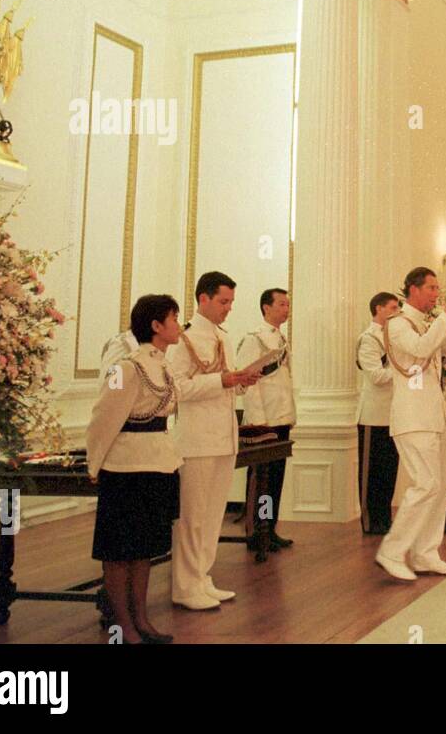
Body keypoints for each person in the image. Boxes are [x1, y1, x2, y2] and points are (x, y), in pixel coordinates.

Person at [86, 294, 185, 644]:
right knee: (119, 550)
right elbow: (103, 417)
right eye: (173, 318)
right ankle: (122, 624)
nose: (178, 325)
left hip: (157, 463)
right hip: (124, 467)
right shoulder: (124, 368)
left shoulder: (164, 366)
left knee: (144, 548)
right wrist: (94, 463)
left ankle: (141, 618)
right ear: (156, 326)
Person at [375, 267, 446, 581]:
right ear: (413, 289)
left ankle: (426, 554)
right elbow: (422, 349)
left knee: (438, 489)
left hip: (432, 417)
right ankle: (391, 552)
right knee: (425, 484)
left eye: (438, 288)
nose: (437, 294)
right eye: (432, 288)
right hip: (411, 417)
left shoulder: (426, 324)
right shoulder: (397, 324)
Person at [167, 271, 261, 611]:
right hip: (196, 440)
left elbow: (224, 384)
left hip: (223, 437)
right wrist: (221, 381)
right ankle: (185, 586)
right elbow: (175, 389)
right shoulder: (182, 339)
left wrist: (241, 382)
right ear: (203, 299)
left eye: (231, 302)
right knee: (193, 517)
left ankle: (202, 577)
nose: (228, 309)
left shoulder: (222, 337)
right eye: (223, 302)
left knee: (212, 515)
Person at [237, 287, 295, 551]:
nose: (286, 309)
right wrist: (259, 420)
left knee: (276, 476)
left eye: (287, 304)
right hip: (264, 420)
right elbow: (249, 382)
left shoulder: (281, 338)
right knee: (262, 477)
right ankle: (257, 529)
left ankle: (270, 526)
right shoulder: (255, 339)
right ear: (266, 307)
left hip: (280, 416)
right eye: (281, 304)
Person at [356, 292, 401, 535]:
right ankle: (371, 520)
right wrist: (404, 370)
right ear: (378, 309)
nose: (397, 311)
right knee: (371, 473)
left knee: (388, 471)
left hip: (393, 414)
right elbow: (376, 376)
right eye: (392, 307)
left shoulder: (393, 337)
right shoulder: (369, 338)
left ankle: (384, 518)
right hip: (374, 414)